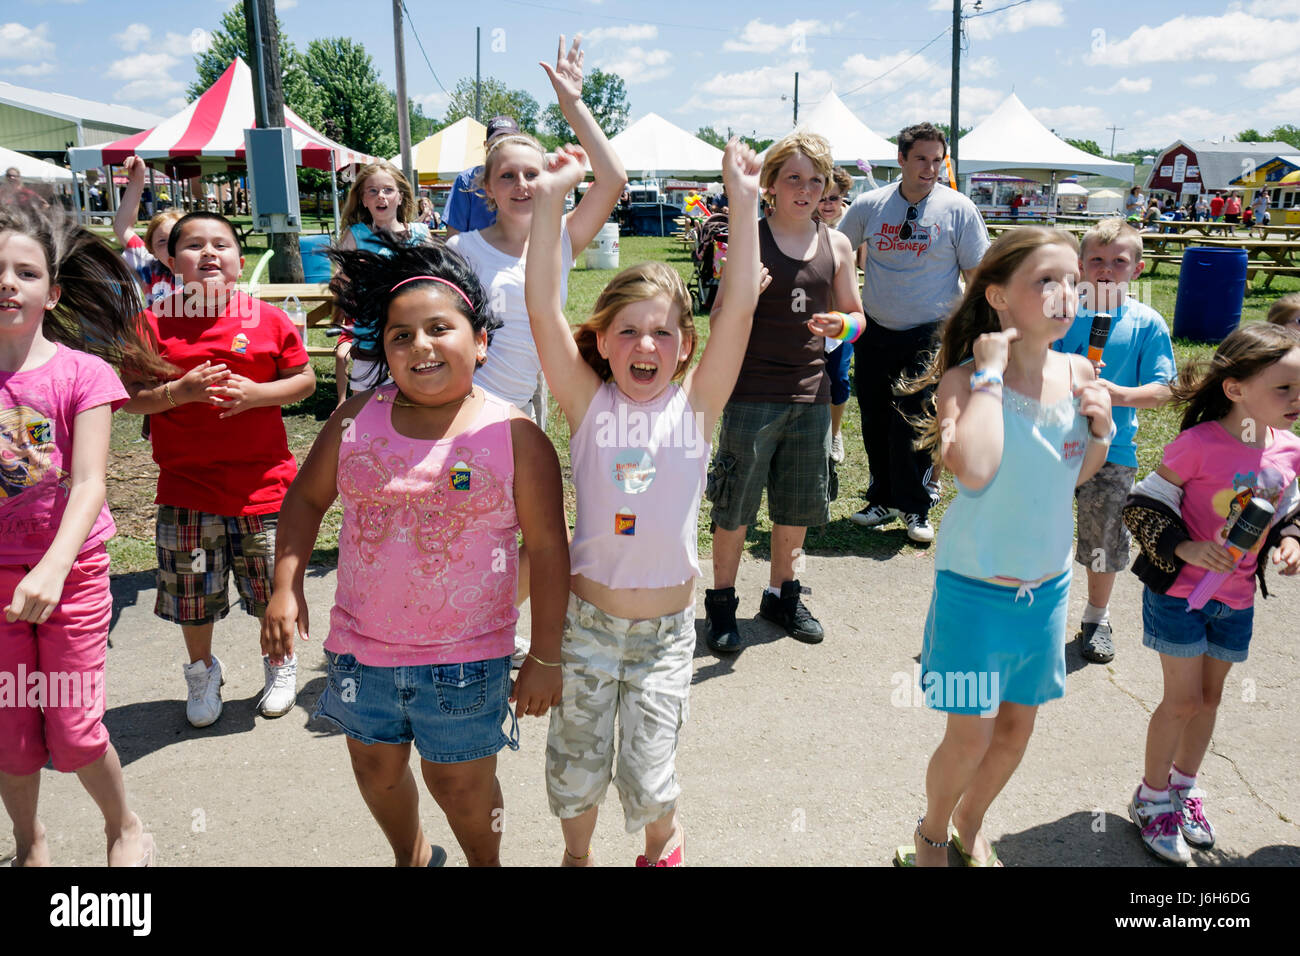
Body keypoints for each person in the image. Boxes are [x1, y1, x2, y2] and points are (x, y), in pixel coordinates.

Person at [262, 237, 568, 868]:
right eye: (401, 336)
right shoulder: (353, 421)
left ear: (480, 340)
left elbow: (548, 550)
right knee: (375, 769)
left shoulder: (516, 437)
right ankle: (413, 856)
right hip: (359, 651)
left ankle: (487, 862)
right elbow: (302, 503)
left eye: (439, 328)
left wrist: (545, 656)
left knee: (462, 788)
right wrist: (285, 585)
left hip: (468, 660)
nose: (420, 345)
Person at [525, 138, 762, 866]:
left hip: (664, 638)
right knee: (575, 772)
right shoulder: (586, 403)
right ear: (601, 339)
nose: (645, 342)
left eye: (661, 330)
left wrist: (745, 204)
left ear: (685, 346)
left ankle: (663, 843)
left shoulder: (696, 408)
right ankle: (578, 857)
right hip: (588, 628)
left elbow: (742, 305)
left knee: (650, 778)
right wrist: (548, 203)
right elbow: (539, 301)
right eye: (627, 330)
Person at [894, 227, 1113, 866]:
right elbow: (979, 471)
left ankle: (971, 818)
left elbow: (1072, 474)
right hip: (974, 594)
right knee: (969, 736)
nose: (1065, 293)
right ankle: (932, 832)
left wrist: (1100, 429)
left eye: (1074, 280)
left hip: (1044, 591)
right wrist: (989, 376)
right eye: (1046, 280)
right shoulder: (962, 382)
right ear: (998, 296)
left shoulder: (1080, 371)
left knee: (1016, 733)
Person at [0, 205, 172, 865]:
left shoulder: (83, 375)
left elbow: (90, 483)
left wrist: (50, 568)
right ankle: (28, 841)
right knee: (11, 735)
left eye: (26, 271)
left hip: (70, 578)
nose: (10, 282)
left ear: (54, 291)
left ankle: (124, 827)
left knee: (72, 732)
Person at [121, 212, 317, 727]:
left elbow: (303, 380)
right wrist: (176, 393)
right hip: (187, 487)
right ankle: (203, 670)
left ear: (238, 259)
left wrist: (257, 395)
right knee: (192, 594)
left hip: (263, 486)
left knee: (267, 588)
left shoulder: (267, 319)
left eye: (222, 244)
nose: (209, 253)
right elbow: (131, 399)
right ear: (171, 259)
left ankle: (278, 661)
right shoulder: (150, 323)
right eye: (194, 246)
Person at [1121, 323, 1300, 864]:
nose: (1297, 401)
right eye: (1284, 389)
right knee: (1182, 700)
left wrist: (1290, 540)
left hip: (1237, 599)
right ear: (1236, 389)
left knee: (1211, 699)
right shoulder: (1196, 445)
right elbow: (1142, 505)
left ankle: (1185, 786)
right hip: (1179, 594)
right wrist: (1185, 548)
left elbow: (1289, 508)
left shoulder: (1291, 449)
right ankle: (1151, 799)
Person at [704, 131, 864, 651]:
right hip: (750, 391)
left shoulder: (836, 243)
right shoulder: (749, 238)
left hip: (811, 394)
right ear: (770, 183)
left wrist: (840, 325)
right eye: (793, 178)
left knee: (795, 506)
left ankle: (781, 594)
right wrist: (748, 294)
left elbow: (860, 319)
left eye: (816, 181)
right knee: (736, 504)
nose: (805, 189)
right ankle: (721, 603)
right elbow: (720, 315)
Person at [447, 35, 626, 430]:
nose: (521, 185)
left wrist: (573, 105)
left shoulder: (563, 238)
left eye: (532, 174)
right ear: (487, 188)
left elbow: (613, 179)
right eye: (507, 176)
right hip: (463, 409)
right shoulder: (463, 249)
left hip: (523, 410)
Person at [837, 122, 990, 543]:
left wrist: (974, 332)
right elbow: (835, 251)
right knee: (874, 415)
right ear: (901, 159)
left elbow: (978, 276)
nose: (930, 168)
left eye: (937, 160)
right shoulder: (870, 205)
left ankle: (915, 507)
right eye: (921, 158)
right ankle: (882, 498)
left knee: (914, 418)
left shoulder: (959, 209)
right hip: (873, 329)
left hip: (931, 331)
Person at [1054, 219, 1175, 663]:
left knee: (1103, 538)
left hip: (1112, 450)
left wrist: (1116, 393)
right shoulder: (1058, 310)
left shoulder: (1146, 322)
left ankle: (1095, 617)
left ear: (1138, 268)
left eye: (1118, 262)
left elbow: (1164, 390)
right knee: (1038, 528)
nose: (1107, 270)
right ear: (1081, 265)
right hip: (1050, 441)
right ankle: (1028, 610)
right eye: (1097, 261)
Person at [333, 162, 431, 407]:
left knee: (415, 403)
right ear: (363, 200)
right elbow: (338, 283)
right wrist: (351, 273)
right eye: (373, 191)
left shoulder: (420, 234)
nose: (381, 196)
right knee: (365, 407)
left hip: (413, 336)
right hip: (370, 338)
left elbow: (437, 283)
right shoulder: (355, 235)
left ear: (400, 197)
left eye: (388, 190)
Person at [815, 166, 856, 464]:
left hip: (842, 319)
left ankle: (836, 433)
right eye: (823, 197)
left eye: (835, 197)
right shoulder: (800, 227)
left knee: (839, 380)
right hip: (808, 319)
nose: (828, 203)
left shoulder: (853, 231)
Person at [113, 156, 182, 306]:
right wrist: (137, 181)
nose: (170, 246)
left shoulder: (205, 269)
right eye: (162, 241)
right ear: (152, 251)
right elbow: (122, 227)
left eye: (177, 238)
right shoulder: (150, 267)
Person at [443, 115, 520, 239]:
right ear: (486, 146)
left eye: (511, 142)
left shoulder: (528, 181)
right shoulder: (467, 180)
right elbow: (454, 236)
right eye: (497, 143)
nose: (504, 148)